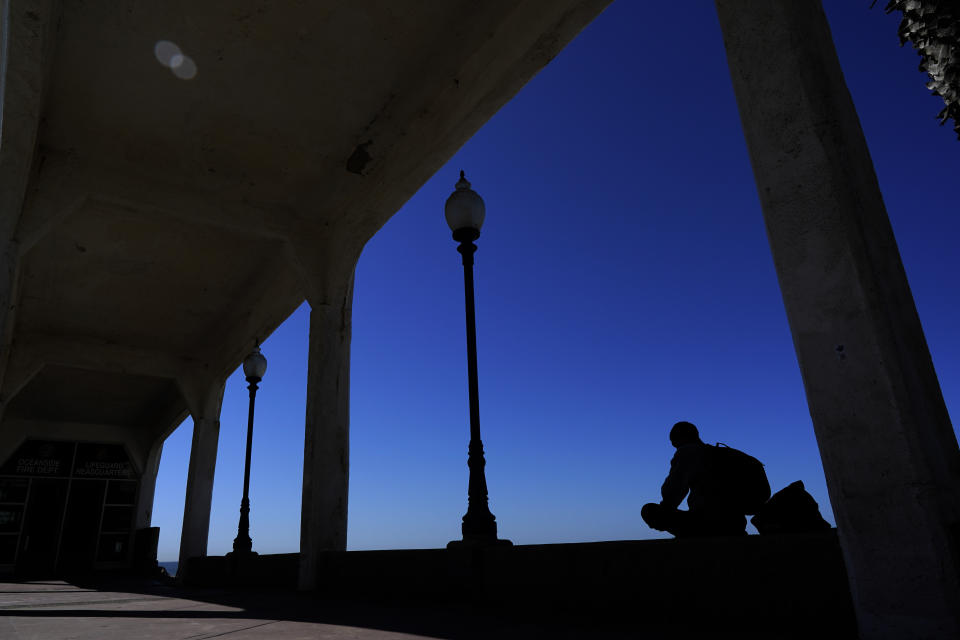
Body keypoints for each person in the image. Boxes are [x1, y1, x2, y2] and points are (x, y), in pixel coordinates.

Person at [641, 421, 746, 537]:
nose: (675, 449)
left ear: (680, 438)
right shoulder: (719, 454)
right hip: (736, 523)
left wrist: (665, 511)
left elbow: (672, 491)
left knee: (648, 510)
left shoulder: (688, 451)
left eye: (675, 444)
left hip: (706, 524)